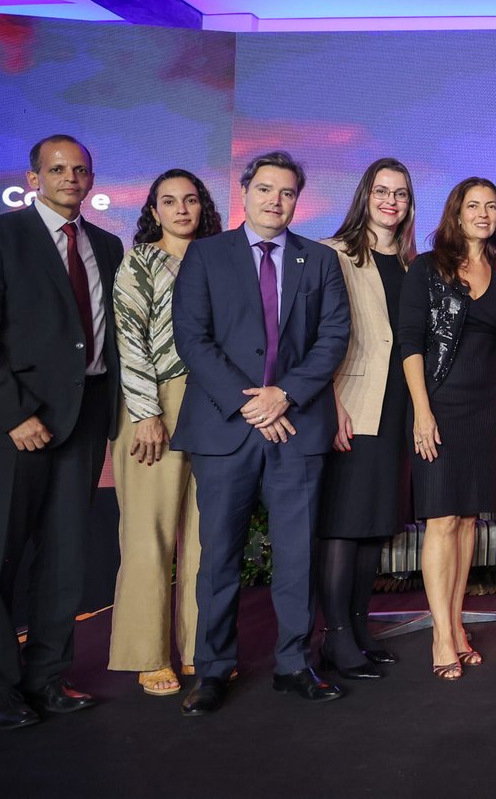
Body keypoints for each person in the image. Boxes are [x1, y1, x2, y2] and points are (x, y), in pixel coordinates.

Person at [0, 134, 123, 729]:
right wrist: (14, 414)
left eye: (81, 169)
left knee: (64, 560)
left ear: (91, 179)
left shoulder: (107, 245)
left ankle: (47, 679)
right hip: (12, 426)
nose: (71, 178)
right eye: (58, 169)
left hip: (84, 420)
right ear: (34, 178)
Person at [171, 150, 351, 716]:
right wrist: (250, 403)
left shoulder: (319, 260)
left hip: (297, 425)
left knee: (297, 555)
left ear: (298, 201)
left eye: (287, 192)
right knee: (218, 555)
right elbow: (192, 337)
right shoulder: (206, 255)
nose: (276, 200)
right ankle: (212, 669)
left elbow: (333, 338)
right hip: (226, 427)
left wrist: (284, 395)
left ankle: (294, 664)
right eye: (266, 189)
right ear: (245, 192)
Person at [399, 177, 496, 680]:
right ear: (455, 213)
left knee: (469, 520)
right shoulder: (427, 268)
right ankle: (440, 635)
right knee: (441, 520)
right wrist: (422, 411)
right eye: (473, 205)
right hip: (438, 405)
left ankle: (455, 625)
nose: (482, 214)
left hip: (484, 409)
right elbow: (410, 342)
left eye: (491, 206)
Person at [108, 168, 223, 697]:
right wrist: (146, 412)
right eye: (169, 201)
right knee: (148, 534)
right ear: (153, 210)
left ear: (203, 207)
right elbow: (129, 339)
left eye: (190, 200)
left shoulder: (218, 259)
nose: (181, 209)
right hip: (155, 401)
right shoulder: (139, 261)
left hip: (214, 401)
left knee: (206, 535)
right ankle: (148, 654)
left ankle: (202, 649)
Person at [315, 159, 418, 681]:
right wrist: (330, 403)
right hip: (351, 404)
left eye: (400, 194)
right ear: (365, 195)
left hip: (396, 407)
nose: (390, 201)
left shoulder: (412, 263)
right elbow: (315, 336)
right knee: (343, 523)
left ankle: (357, 630)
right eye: (382, 191)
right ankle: (334, 637)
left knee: (373, 525)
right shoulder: (332, 254)